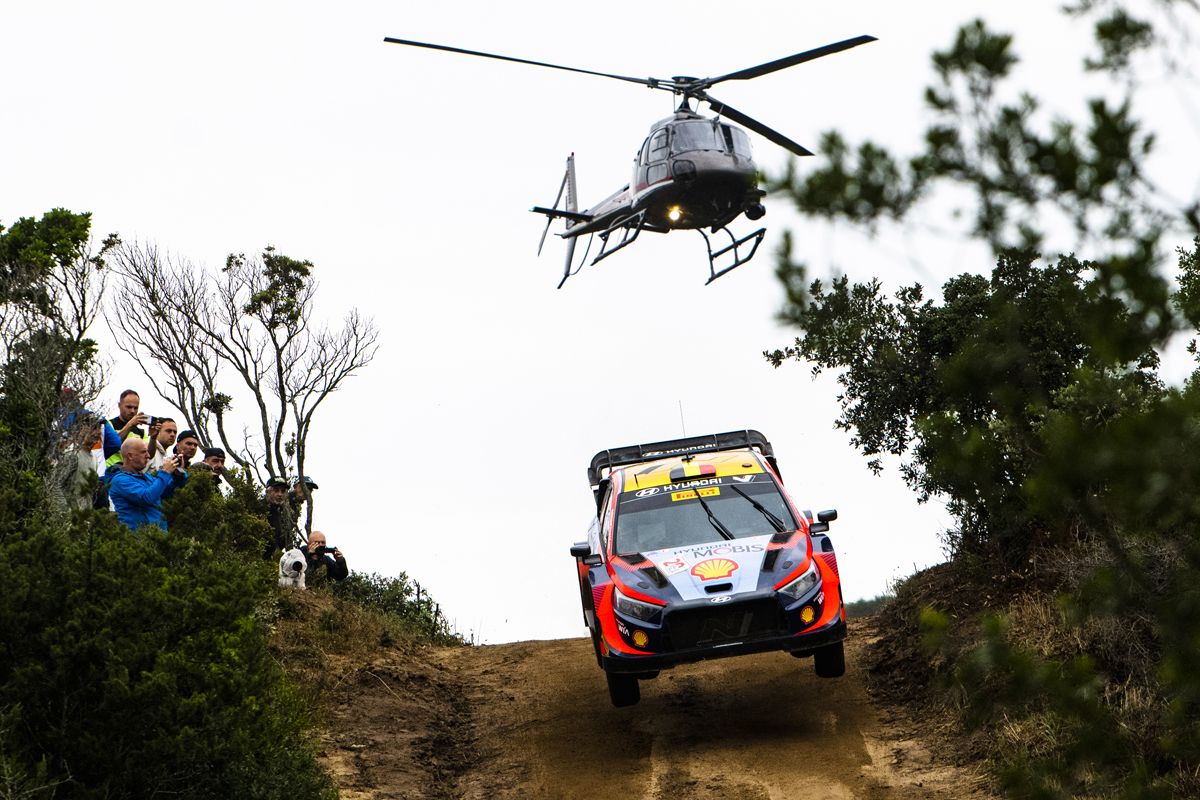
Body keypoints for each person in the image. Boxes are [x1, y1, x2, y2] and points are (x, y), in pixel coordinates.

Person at [108, 437, 186, 531]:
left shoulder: (147, 477)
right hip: (137, 539)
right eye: (143, 452)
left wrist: (178, 476)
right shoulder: (120, 480)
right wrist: (165, 472)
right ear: (130, 456)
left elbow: (167, 493)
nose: (148, 456)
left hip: (158, 536)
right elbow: (146, 498)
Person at [263, 477, 299, 559]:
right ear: (268, 492)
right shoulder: (261, 508)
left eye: (283, 491)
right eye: (276, 490)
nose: (280, 494)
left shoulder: (283, 513)